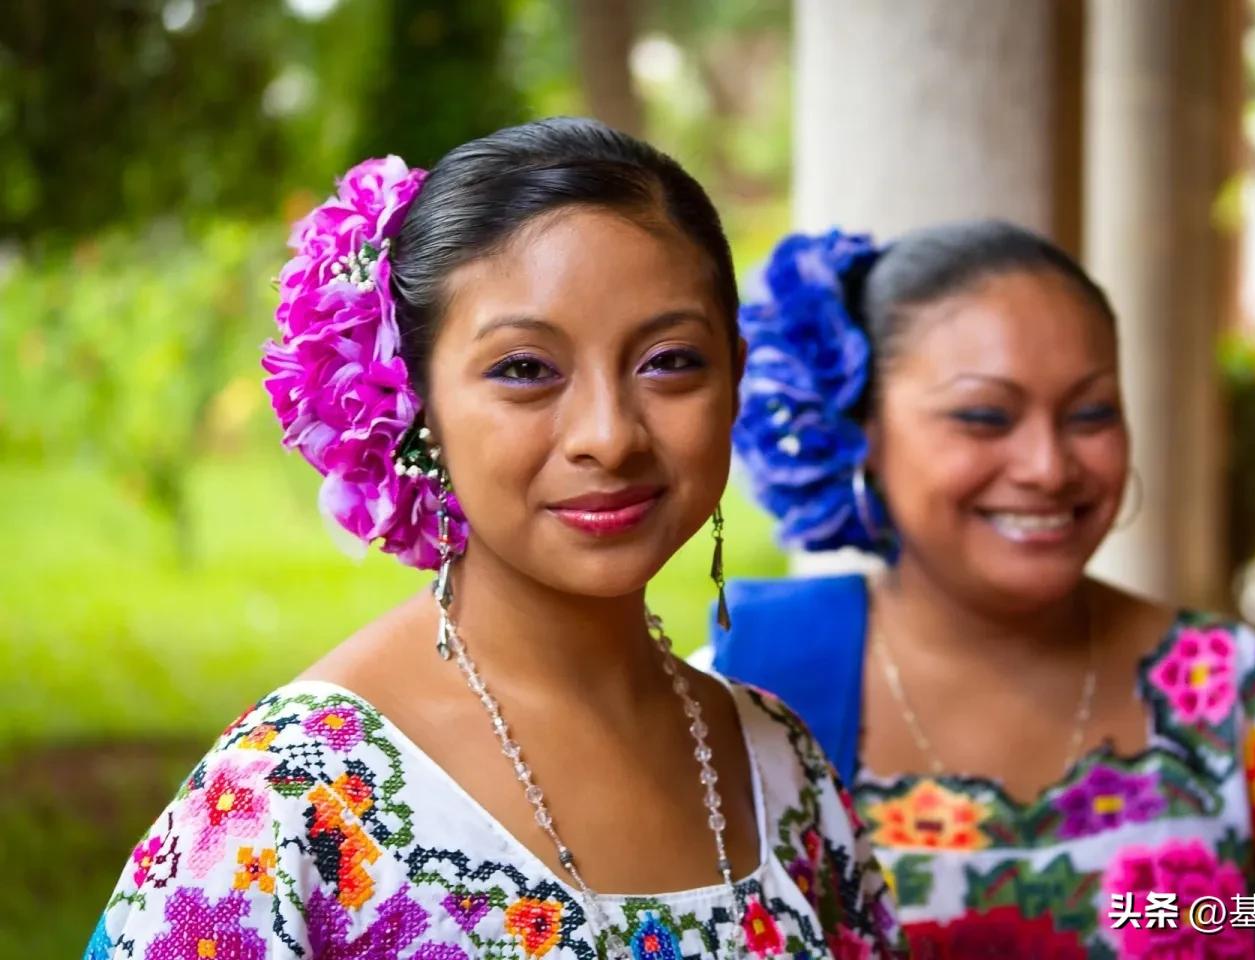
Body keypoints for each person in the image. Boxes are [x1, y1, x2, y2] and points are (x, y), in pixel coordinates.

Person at [86, 119, 902, 960]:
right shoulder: (288, 805)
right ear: (414, 400)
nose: (608, 436)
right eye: (524, 369)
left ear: (734, 378)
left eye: (667, 361)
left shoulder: (783, 770)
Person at [709, 221, 1255, 958]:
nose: (1048, 466)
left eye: (1090, 414)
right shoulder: (750, 697)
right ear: (860, 431)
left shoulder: (1225, 689)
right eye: (985, 416)